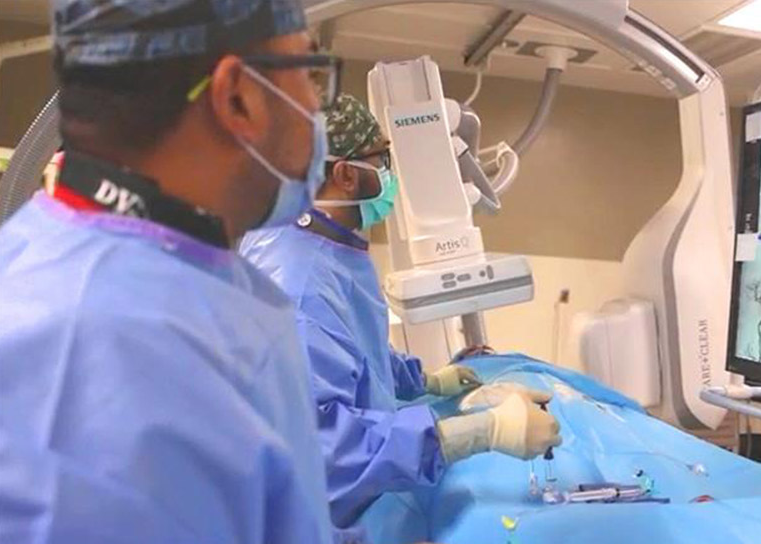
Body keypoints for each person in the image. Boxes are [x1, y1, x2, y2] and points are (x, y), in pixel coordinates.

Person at [0, 1, 355, 542]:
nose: (314, 108)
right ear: (239, 96)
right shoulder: (97, 354)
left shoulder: (185, 278)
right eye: (307, 73)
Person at [240, 94, 562, 528]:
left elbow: (351, 353)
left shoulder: (319, 246)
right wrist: (481, 432)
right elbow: (325, 451)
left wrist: (424, 381)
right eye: (383, 159)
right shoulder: (300, 289)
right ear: (345, 174)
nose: (390, 173)